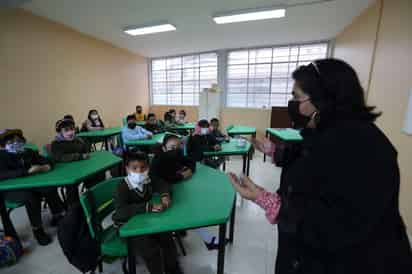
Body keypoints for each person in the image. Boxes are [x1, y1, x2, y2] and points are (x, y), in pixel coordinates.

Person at [228, 59, 412, 274]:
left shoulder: (365, 148)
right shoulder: (331, 131)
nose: (293, 105)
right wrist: (275, 151)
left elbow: (342, 223)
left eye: (297, 97)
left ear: (324, 99)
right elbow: (313, 158)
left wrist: (273, 204)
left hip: (352, 263)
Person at [112, 151, 183, 274]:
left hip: (146, 221)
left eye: (143, 167)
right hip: (128, 227)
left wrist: (165, 195)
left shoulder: (147, 179)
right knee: (150, 249)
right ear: (127, 169)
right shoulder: (122, 187)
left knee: (167, 237)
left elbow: (162, 184)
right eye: (134, 168)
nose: (139, 172)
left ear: (148, 168)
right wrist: (147, 207)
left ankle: (172, 268)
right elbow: (120, 212)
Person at [0, 129, 65, 245]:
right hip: (10, 190)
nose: (16, 144)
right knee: (31, 197)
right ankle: (38, 229)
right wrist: (27, 172)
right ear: (3, 146)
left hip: (32, 184)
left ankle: (57, 215)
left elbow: (46, 160)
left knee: (49, 187)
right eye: (10, 142)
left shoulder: (28, 152)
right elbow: (3, 174)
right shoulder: (1, 157)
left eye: (18, 141)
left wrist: (47, 166)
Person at [51, 118, 103, 204]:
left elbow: (85, 152)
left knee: (97, 175)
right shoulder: (56, 144)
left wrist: (84, 146)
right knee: (71, 187)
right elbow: (61, 157)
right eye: (66, 130)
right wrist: (79, 156)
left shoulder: (78, 140)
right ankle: (74, 208)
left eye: (72, 129)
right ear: (60, 132)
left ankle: (95, 200)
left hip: (81, 169)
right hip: (66, 173)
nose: (70, 132)